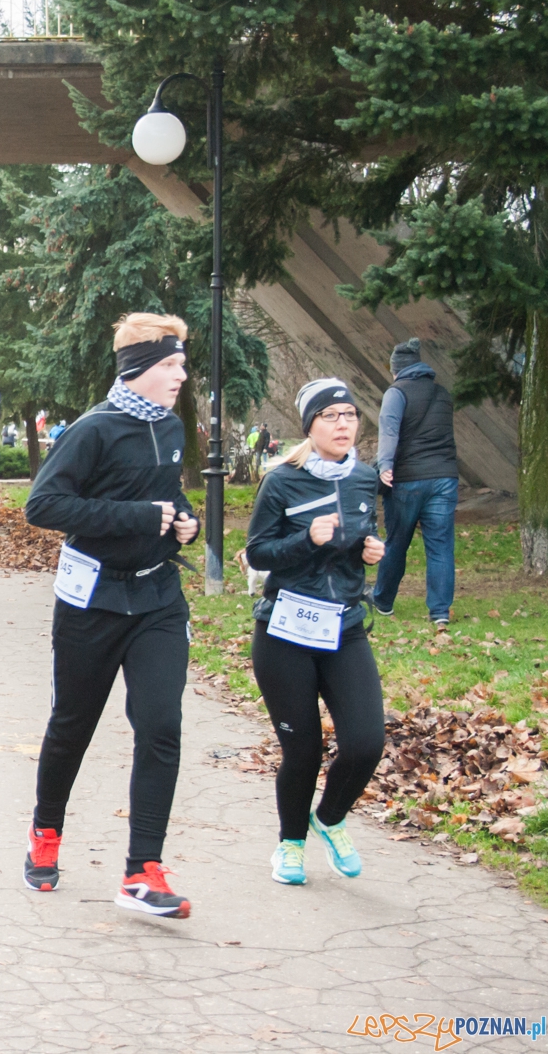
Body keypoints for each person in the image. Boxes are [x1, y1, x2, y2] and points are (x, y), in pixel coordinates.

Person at [23, 312, 201, 918]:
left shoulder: (172, 428)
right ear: (141, 368)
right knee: (73, 724)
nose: (181, 373)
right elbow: (44, 504)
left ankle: (141, 871)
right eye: (172, 363)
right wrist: (134, 518)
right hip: (92, 602)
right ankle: (45, 833)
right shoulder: (94, 430)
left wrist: (184, 521)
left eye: (181, 362)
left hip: (156, 599)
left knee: (161, 726)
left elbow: (165, 493)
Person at [246, 378, 387, 886]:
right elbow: (258, 553)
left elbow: (359, 537)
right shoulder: (282, 480)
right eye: (330, 416)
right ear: (310, 425)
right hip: (284, 630)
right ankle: (290, 845)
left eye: (350, 414)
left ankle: (328, 818)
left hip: (344, 626)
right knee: (301, 749)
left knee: (367, 742)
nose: (343, 423)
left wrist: (370, 549)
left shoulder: (365, 479)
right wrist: (306, 538)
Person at [371, 338, 459, 627]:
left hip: (407, 480)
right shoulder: (442, 394)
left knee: (397, 542)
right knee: (441, 547)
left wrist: (384, 465)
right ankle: (439, 612)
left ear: (397, 370)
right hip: (444, 478)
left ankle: (382, 601)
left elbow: (389, 432)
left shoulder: (396, 393)